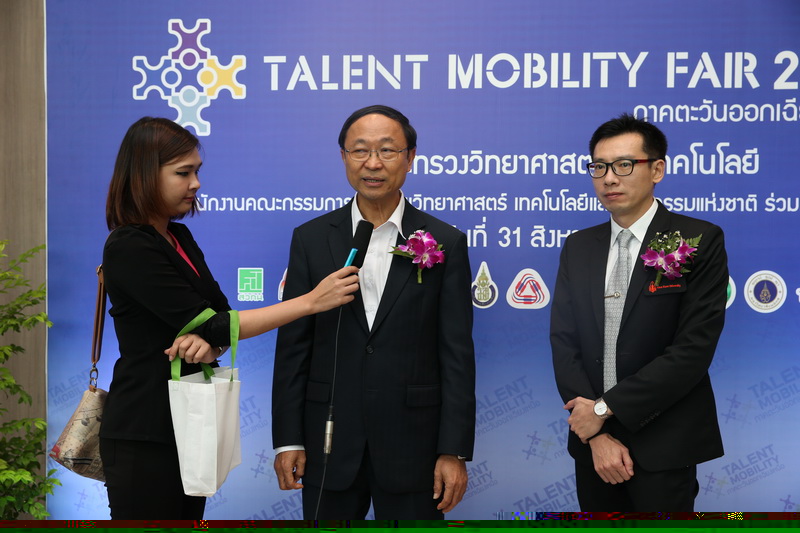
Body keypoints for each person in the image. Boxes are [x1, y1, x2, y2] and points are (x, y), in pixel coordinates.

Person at [99, 116, 359, 519]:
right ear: (145, 175)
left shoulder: (178, 237)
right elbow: (216, 323)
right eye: (183, 173)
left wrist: (212, 342)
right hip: (144, 430)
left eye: (197, 171)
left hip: (190, 425)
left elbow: (219, 317)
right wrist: (310, 302)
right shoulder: (129, 245)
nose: (196, 184)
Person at [272, 105, 476, 519]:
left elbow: (456, 353)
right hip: (328, 441)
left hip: (414, 447)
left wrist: (453, 450)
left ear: (410, 157)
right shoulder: (311, 239)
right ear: (344, 157)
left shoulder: (444, 241)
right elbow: (294, 347)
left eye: (387, 150)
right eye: (360, 150)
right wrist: (288, 439)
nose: (373, 163)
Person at [550, 113, 727, 511]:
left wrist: (603, 409)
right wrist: (595, 432)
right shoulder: (579, 246)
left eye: (624, 165)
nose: (609, 179)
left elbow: (692, 350)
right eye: (599, 167)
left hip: (665, 442)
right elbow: (564, 343)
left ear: (657, 169)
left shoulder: (698, 239)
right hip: (593, 446)